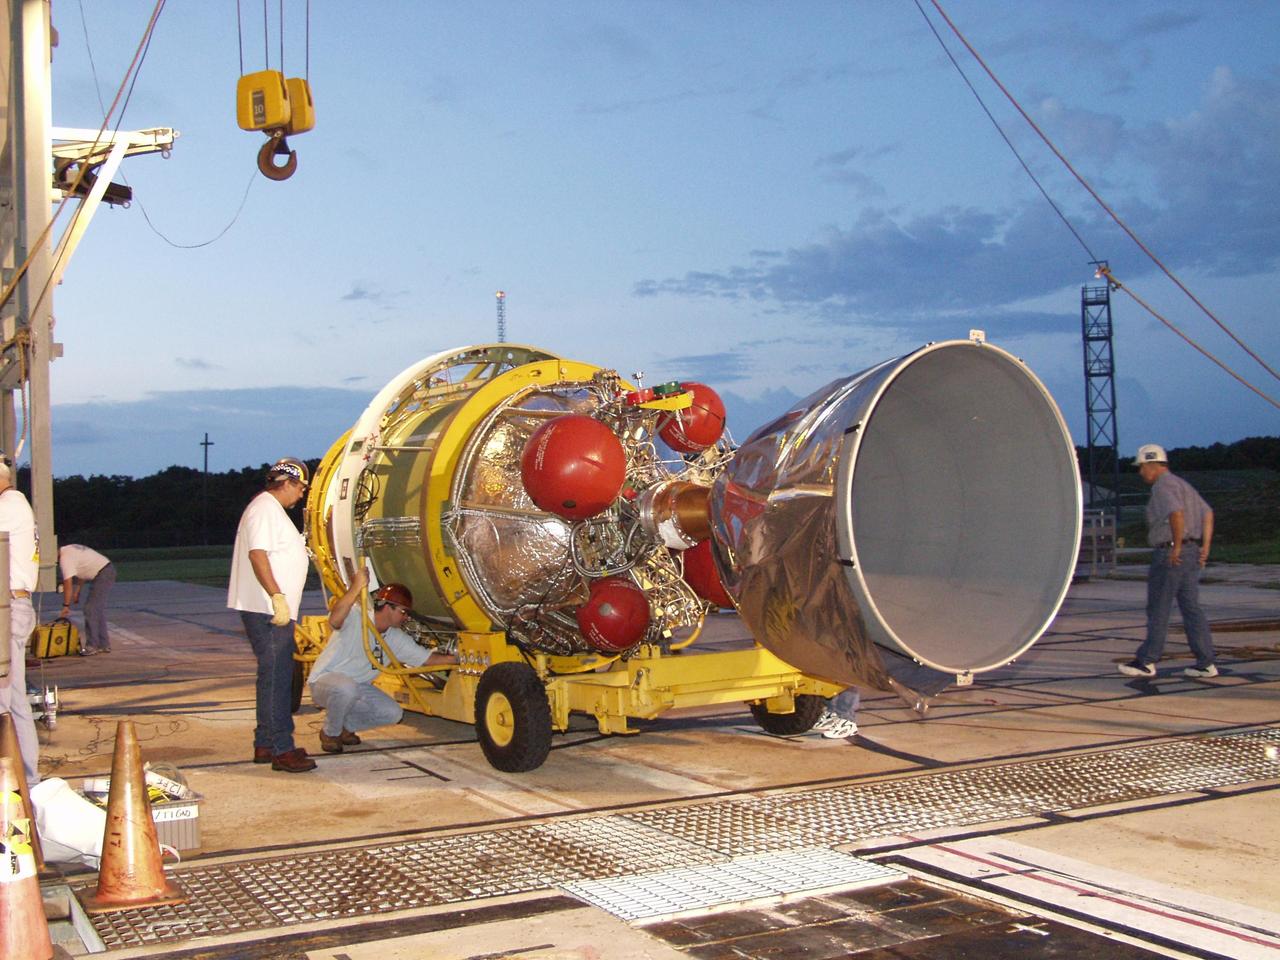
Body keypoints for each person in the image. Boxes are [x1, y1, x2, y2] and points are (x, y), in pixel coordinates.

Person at [228, 457, 316, 773]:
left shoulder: (268, 510)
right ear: (288, 483)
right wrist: (277, 596)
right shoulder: (265, 508)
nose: (302, 495)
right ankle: (282, 748)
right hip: (268, 610)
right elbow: (258, 554)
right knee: (278, 678)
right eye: (301, 488)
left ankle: (265, 742)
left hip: (271, 609)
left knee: (272, 676)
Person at [309, 569, 454, 753]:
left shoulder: (395, 637)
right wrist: (356, 587)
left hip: (358, 686)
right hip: (326, 681)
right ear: (387, 607)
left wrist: (459, 659)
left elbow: (427, 660)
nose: (406, 617)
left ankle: (345, 727)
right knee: (346, 689)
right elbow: (335, 620)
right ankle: (330, 733)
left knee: (392, 713)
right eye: (403, 611)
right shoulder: (357, 617)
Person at [1119, 444, 1217, 679]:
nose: (1141, 473)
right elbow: (1208, 513)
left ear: (1152, 465)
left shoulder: (1163, 486)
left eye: (1141, 467)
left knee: (1159, 607)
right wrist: (1205, 547)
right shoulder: (1183, 484)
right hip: (1191, 553)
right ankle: (1206, 662)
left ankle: (1147, 660)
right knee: (1191, 608)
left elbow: (1176, 513)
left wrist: (1177, 546)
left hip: (1171, 553)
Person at [0, 454, 41, 784]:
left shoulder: (11, 504)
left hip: (8, 609)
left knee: (5, 702)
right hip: (11, 608)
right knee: (13, 701)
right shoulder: (13, 504)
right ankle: (28, 781)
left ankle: (23, 781)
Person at [58, 544, 116, 655]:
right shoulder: (70, 549)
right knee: (96, 610)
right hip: (106, 569)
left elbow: (67, 584)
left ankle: (92, 645)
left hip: (103, 573)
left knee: (90, 609)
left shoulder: (65, 558)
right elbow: (83, 570)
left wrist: (66, 605)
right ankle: (103, 644)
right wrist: (77, 591)